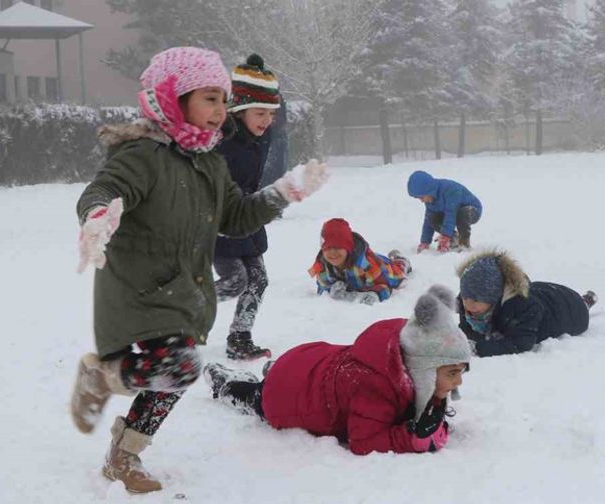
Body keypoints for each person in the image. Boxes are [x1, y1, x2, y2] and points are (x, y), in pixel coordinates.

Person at [68, 47, 328, 494]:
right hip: (140, 289)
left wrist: (284, 192)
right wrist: (97, 217)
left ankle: (123, 455)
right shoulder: (142, 154)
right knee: (181, 367)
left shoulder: (209, 160)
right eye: (210, 98)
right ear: (173, 96)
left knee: (174, 376)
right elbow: (104, 188)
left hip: (183, 291)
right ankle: (100, 378)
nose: (220, 110)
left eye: (223, 100)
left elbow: (236, 217)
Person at [203, 285, 471, 456]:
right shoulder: (375, 385)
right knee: (258, 397)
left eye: (460, 371)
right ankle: (227, 384)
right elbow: (363, 442)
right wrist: (408, 438)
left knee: (288, 376)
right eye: (452, 373)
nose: (458, 381)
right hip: (288, 396)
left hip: (309, 362)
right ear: (423, 369)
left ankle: (275, 371)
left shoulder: (408, 348)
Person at [214, 54, 281, 361]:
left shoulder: (259, 137)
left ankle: (239, 337)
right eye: (260, 112)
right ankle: (181, 310)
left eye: (271, 113)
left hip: (248, 218)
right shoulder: (220, 139)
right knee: (234, 281)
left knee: (259, 279)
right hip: (220, 223)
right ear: (239, 110)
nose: (266, 120)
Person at [457, 250, 596, 357]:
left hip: (571, 308)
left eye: (476, 300)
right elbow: (466, 330)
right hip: (541, 290)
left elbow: (520, 343)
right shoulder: (466, 302)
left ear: (495, 298)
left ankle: (586, 301)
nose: (469, 306)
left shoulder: (524, 307)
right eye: (465, 298)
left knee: (581, 306)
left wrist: (477, 348)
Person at [308, 218, 410, 305]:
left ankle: (400, 260)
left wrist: (375, 294)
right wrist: (330, 290)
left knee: (398, 273)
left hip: (382, 269)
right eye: (327, 248)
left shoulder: (366, 265)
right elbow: (322, 287)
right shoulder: (322, 266)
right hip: (367, 269)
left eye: (338, 247)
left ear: (347, 247)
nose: (332, 253)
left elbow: (385, 286)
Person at [407, 170, 482, 253]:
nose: (421, 201)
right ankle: (454, 238)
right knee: (432, 218)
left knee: (462, 214)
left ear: (428, 190)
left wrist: (445, 236)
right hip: (453, 213)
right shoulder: (430, 199)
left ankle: (464, 244)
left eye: (421, 197)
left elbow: (451, 213)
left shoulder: (450, 190)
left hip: (472, 210)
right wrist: (425, 242)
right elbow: (428, 221)